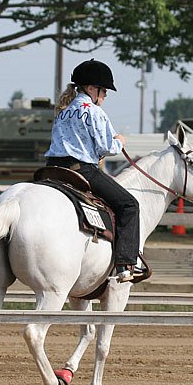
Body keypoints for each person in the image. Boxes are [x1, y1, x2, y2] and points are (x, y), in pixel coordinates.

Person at [45, 59, 140, 283]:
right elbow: (105, 147)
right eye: (104, 90)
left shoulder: (63, 111)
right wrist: (120, 142)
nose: (105, 96)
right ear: (91, 89)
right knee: (129, 205)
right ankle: (125, 264)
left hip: (51, 169)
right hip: (81, 170)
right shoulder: (94, 112)